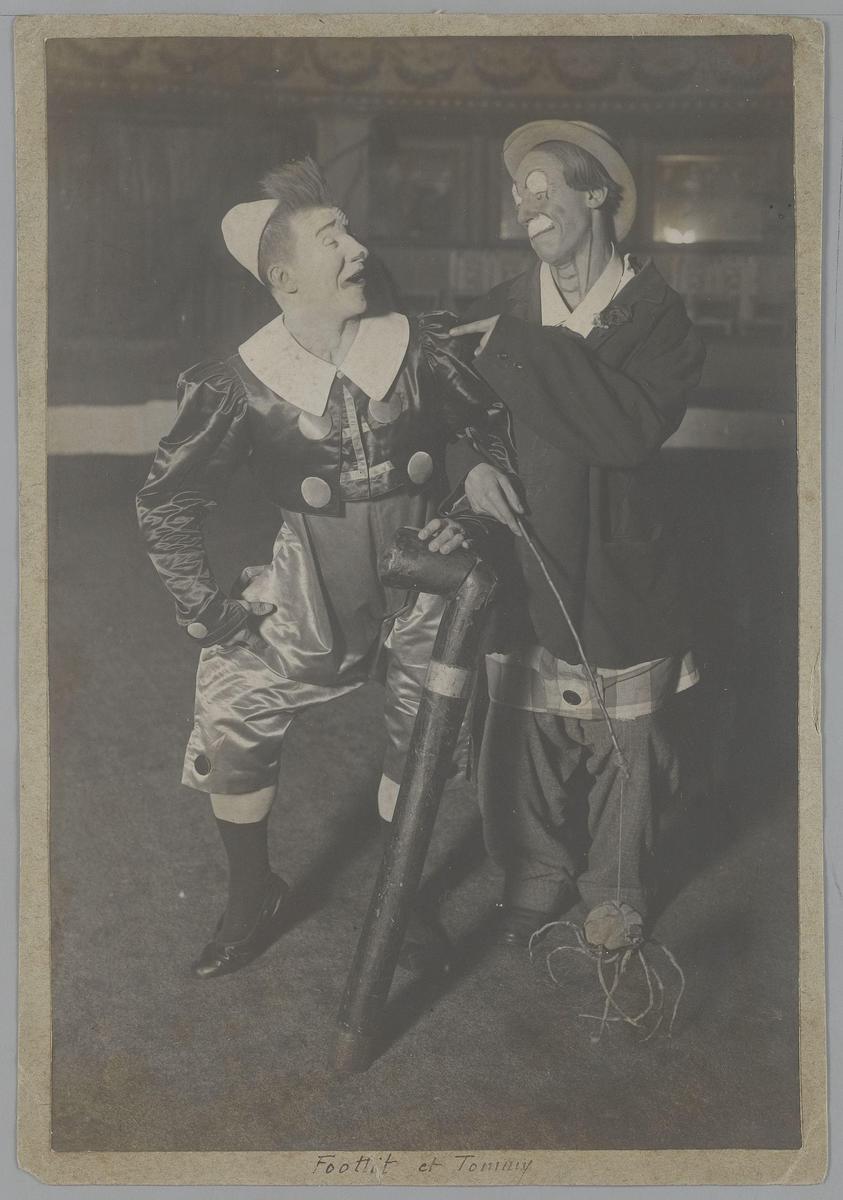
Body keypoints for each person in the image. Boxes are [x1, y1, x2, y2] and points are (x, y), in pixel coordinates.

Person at [137, 157, 513, 979]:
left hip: (426, 589)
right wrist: (207, 608)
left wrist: (465, 514)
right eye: (331, 238)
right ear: (283, 279)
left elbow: (499, 433)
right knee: (232, 699)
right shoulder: (240, 383)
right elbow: (167, 503)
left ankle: (401, 895)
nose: (358, 248)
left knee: (423, 731)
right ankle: (253, 895)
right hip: (312, 589)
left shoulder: (419, 348)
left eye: (349, 229)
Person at [448, 120, 706, 951]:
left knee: (626, 738)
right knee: (519, 728)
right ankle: (532, 871)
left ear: (595, 194)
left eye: (542, 187)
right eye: (516, 194)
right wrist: (470, 464)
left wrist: (516, 351)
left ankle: (616, 889)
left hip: (617, 553)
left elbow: (624, 430)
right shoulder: (500, 306)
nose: (525, 206)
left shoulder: (658, 317)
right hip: (523, 547)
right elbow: (455, 413)